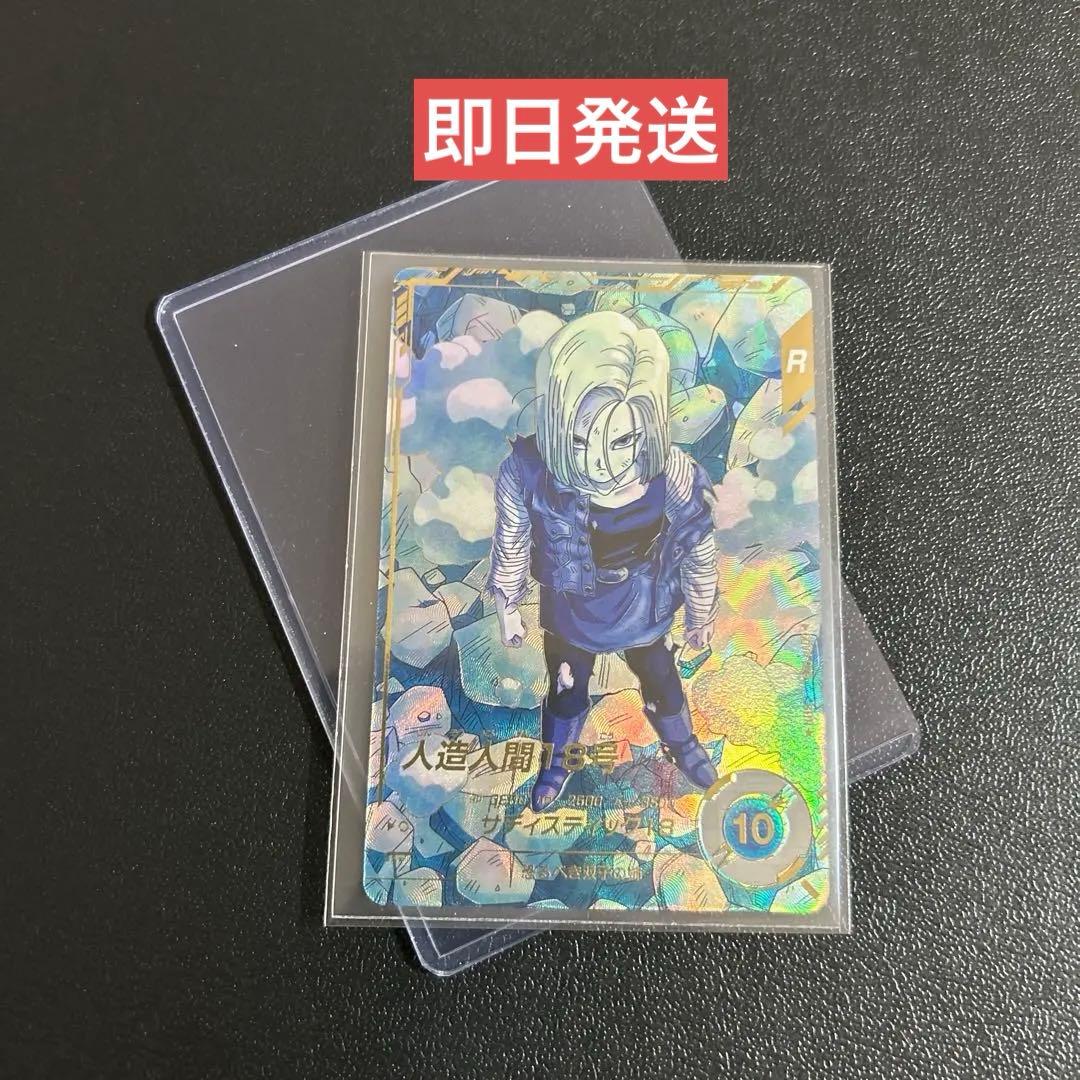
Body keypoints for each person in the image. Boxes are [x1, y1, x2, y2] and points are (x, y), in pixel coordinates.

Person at [487, 310, 719, 811]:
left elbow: (698, 542)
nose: (601, 462)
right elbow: (512, 539)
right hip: (570, 610)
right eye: (580, 440)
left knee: (661, 679)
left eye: (622, 441)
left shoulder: (673, 471)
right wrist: (507, 605)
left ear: (647, 427)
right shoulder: (525, 471)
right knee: (566, 690)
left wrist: (701, 613)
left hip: (645, 603)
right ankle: (556, 764)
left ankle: (684, 746)